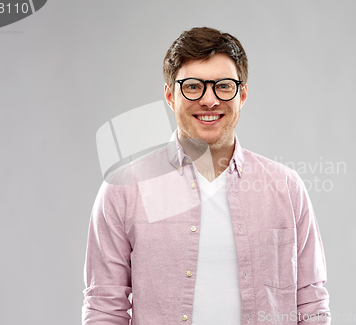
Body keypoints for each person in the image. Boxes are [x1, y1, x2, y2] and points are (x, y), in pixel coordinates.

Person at [82, 27, 331, 325]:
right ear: (170, 95)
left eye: (224, 86)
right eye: (193, 86)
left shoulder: (286, 188)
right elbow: (104, 308)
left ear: (243, 94)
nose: (209, 100)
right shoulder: (124, 189)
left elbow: (311, 303)